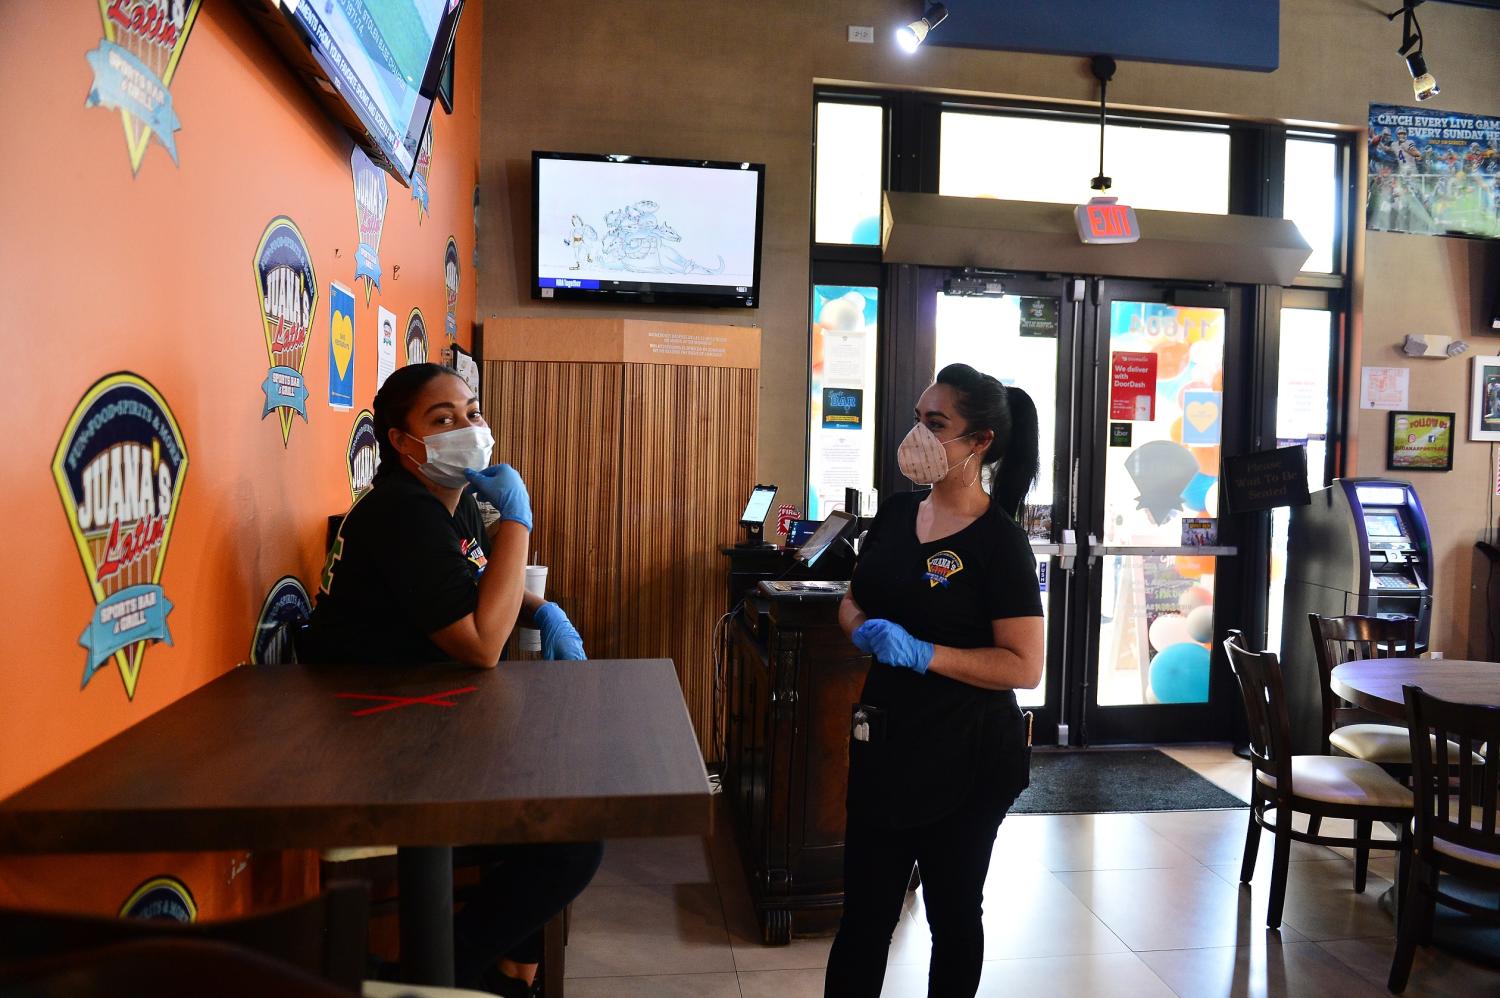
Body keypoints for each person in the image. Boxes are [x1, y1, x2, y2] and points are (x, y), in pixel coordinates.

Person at [304, 363, 598, 996]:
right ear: (400, 442)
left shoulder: (451, 502)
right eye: (442, 420)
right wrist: (517, 522)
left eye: (472, 413)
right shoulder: (400, 514)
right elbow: (480, 645)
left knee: (564, 804)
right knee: (567, 837)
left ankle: (506, 973)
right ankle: (450, 979)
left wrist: (542, 610)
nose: (467, 428)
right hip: (366, 743)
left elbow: (477, 582)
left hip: (424, 718)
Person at [824, 363, 1045, 998]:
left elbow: (1025, 666)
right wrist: (860, 626)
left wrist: (925, 653)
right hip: (885, 747)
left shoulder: (999, 544)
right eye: (919, 418)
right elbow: (852, 598)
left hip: (966, 757)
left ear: (979, 443)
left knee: (952, 918)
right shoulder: (895, 515)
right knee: (863, 918)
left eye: (937, 424)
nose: (918, 433)